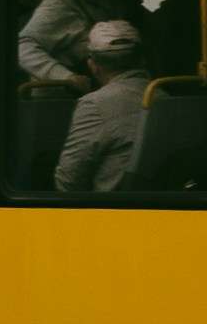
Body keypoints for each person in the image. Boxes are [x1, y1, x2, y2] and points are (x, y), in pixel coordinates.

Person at [51, 16, 158, 196]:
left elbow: (68, 182)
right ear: (143, 60)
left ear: (92, 66)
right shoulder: (164, 96)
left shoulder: (94, 105)